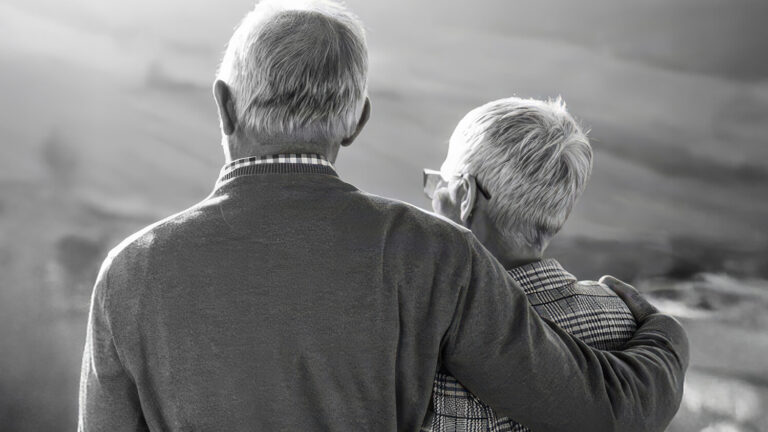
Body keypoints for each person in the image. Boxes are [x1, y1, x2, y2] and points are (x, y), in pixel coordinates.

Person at [77, 1, 688, 431]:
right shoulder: (433, 253)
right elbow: (595, 412)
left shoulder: (130, 274)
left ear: (224, 106)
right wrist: (666, 337)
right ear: (357, 119)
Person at [423, 97, 640, 431]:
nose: (433, 198)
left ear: (465, 196)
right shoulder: (623, 320)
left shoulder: (435, 349)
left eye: (439, 184)